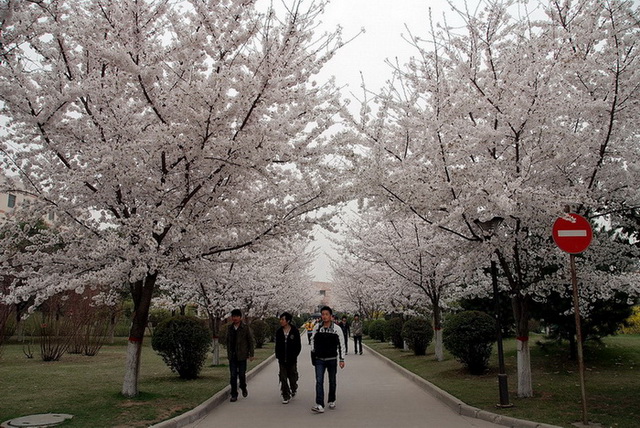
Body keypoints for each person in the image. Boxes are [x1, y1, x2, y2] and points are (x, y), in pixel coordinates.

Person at [310, 305, 346, 413]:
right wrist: (313, 352)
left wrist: (342, 359)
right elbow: (312, 340)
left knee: (332, 381)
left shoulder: (336, 329)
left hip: (332, 359)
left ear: (331, 316)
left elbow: (341, 344)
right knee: (319, 381)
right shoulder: (317, 327)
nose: (324, 316)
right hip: (319, 359)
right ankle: (319, 404)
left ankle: (331, 399)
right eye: (323, 314)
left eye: (327, 314)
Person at [226, 308, 255, 402]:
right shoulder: (229, 328)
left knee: (242, 375)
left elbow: (250, 341)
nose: (234, 318)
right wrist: (229, 353)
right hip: (232, 356)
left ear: (240, 317)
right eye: (233, 316)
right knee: (233, 375)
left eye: (236, 316)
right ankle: (234, 394)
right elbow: (228, 342)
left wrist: (251, 354)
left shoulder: (245, 328)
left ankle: (243, 386)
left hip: (242, 355)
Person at [275, 312, 302, 404]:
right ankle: (285, 394)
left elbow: (298, 345)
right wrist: (278, 355)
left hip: (292, 358)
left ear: (288, 321)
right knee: (283, 377)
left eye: (283, 319)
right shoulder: (279, 332)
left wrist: (295, 355)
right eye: (281, 319)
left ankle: (294, 387)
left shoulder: (294, 331)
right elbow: (277, 345)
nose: (281, 321)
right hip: (282, 359)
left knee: (292, 376)